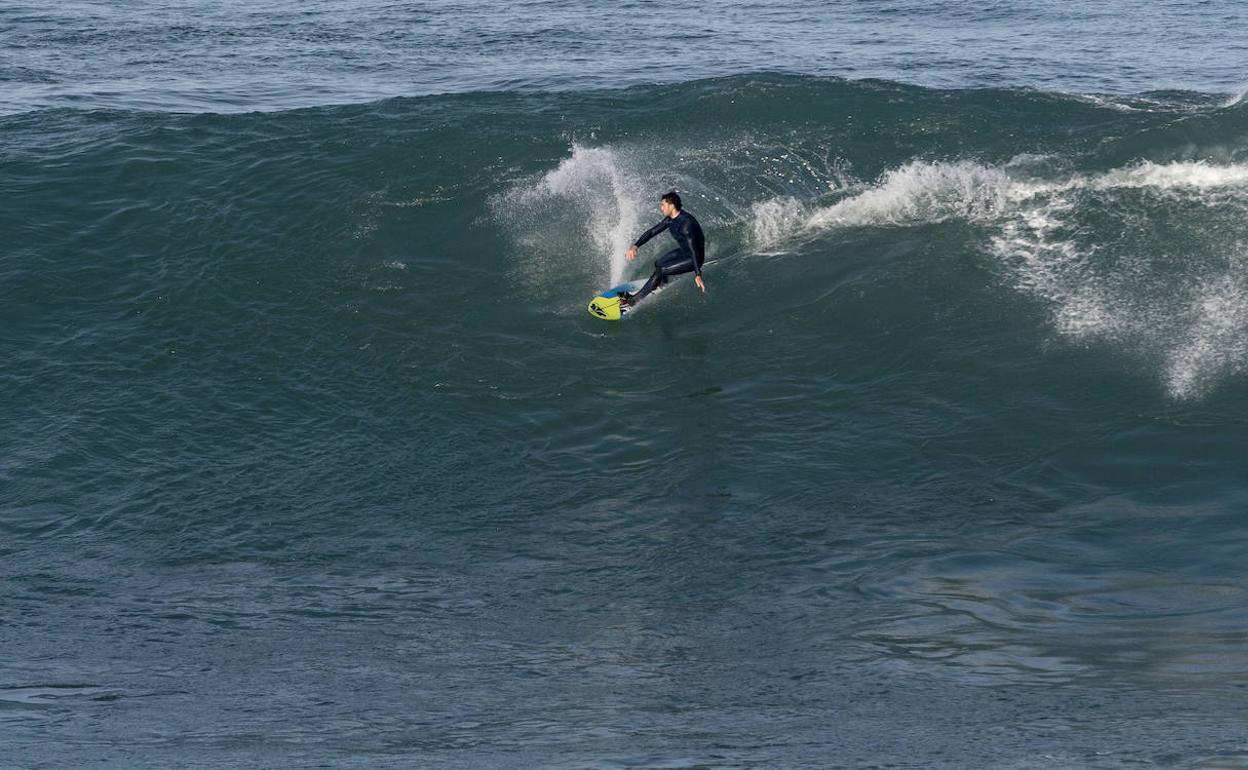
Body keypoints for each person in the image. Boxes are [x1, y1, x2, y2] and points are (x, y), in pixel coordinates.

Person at [621, 191, 706, 308]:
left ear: (671, 205)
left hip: (694, 258)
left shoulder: (686, 224)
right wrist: (635, 246)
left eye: (663, 205)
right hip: (684, 252)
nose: (661, 208)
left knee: (661, 269)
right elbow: (652, 232)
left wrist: (698, 274)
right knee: (659, 263)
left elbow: (694, 251)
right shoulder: (670, 219)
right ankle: (662, 283)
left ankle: (634, 300)